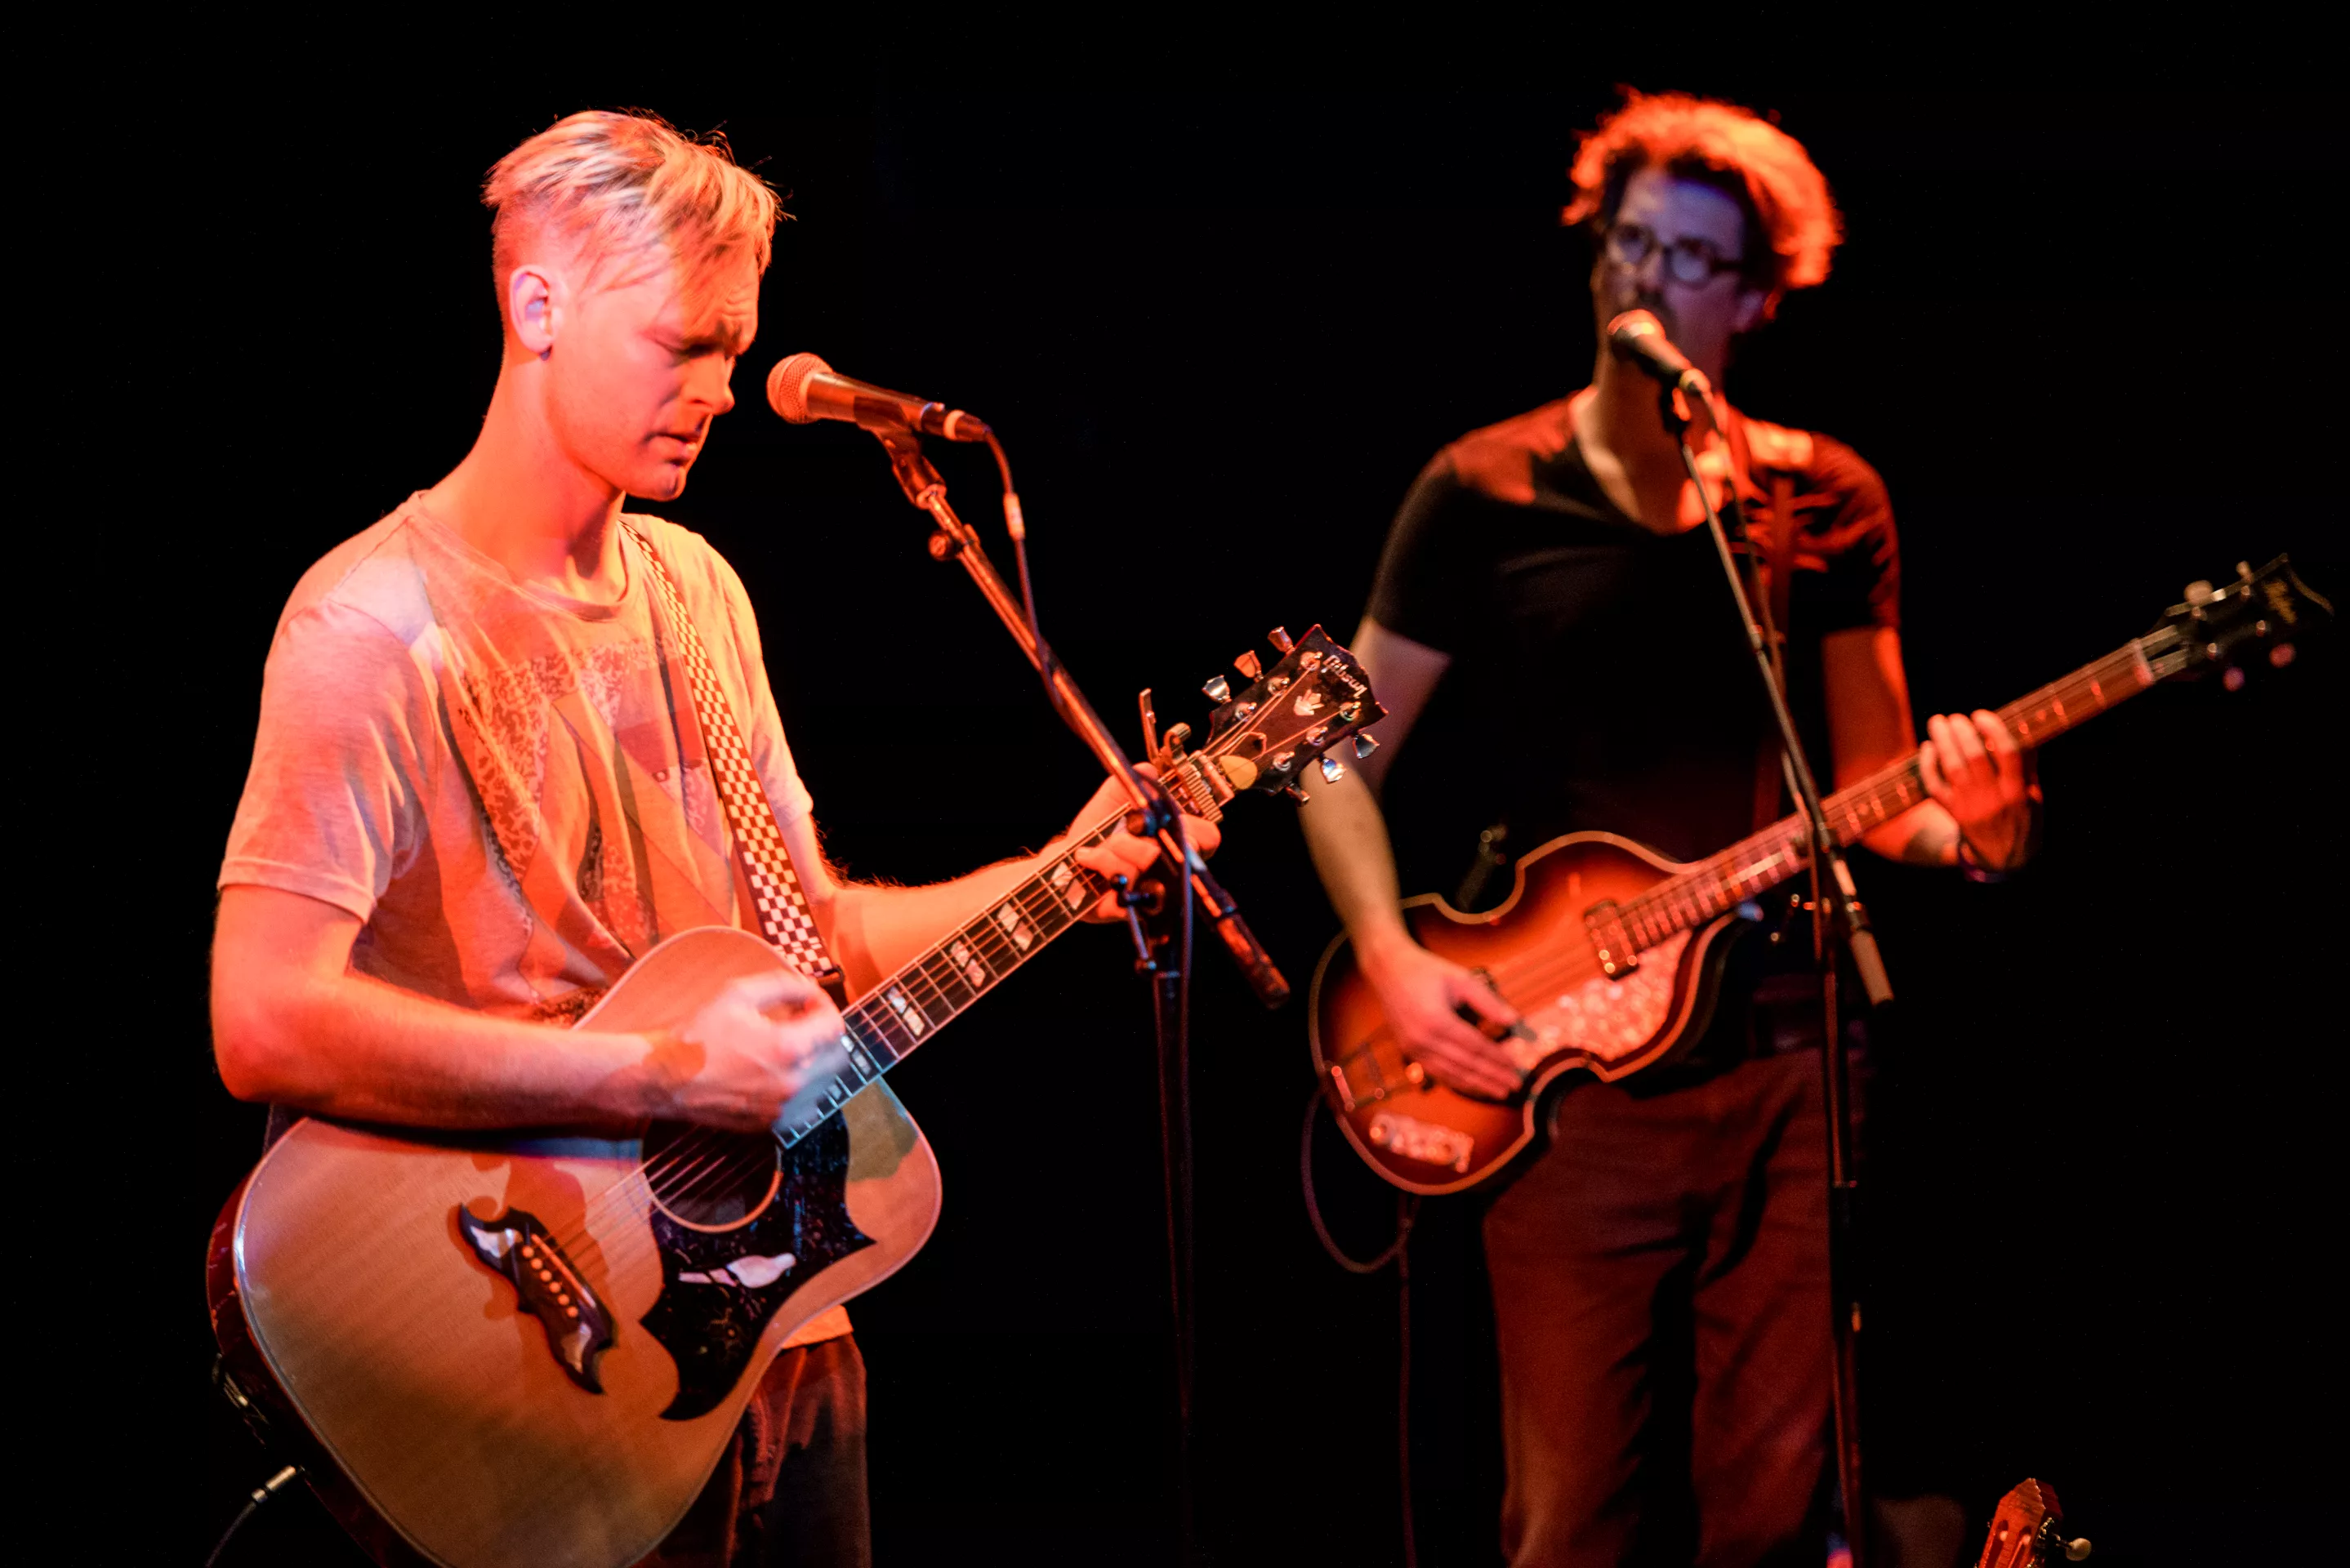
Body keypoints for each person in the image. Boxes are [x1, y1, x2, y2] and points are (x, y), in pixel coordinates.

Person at [209, 109, 1214, 1567]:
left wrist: (1057, 872)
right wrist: (662, 1076)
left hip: (781, 1327)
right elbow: (262, 1020)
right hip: (530, 1338)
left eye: (733, 350)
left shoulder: (698, 591)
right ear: (537, 307)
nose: (723, 391)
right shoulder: (371, 623)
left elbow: (815, 937)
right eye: (684, 345)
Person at [1297, 92, 2038, 1566]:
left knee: (1770, 1517)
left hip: (1788, 1061)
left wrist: (1982, 834)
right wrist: (1390, 952)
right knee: (1568, 1517)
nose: (1645, 278)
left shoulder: (1823, 497)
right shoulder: (1483, 488)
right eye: (1629, 242)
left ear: (1759, 296)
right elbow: (1331, 757)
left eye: (1692, 258)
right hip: (1567, 1078)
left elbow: (1877, 788)